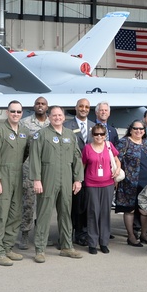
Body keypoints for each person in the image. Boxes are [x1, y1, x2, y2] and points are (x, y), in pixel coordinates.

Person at [30, 105, 84, 262]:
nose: (57, 118)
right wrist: (37, 179)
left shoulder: (70, 135)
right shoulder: (41, 135)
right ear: (49, 117)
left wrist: (78, 179)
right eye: (54, 115)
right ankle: (40, 249)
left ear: (64, 117)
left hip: (66, 178)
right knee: (44, 213)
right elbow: (35, 157)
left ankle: (67, 246)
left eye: (60, 115)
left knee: (66, 213)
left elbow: (77, 158)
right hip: (47, 178)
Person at [0, 100, 31, 266]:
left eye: (19, 112)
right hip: (2, 175)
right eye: (13, 111)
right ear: (7, 112)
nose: (16, 114)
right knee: (0, 214)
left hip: (17, 175)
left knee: (15, 213)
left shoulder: (24, 131)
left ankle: (7, 247)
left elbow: (26, 152)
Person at [115, 119, 147, 248]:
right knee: (130, 209)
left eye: (141, 129)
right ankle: (131, 236)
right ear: (131, 130)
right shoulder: (124, 142)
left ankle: (144, 235)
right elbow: (116, 160)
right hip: (130, 183)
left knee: (145, 210)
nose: (139, 131)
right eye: (136, 129)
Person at [81, 123, 120, 254]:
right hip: (91, 184)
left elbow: (116, 160)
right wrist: (79, 181)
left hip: (107, 184)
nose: (99, 136)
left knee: (105, 213)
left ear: (105, 135)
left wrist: (118, 169)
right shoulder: (87, 148)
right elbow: (83, 165)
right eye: (96, 134)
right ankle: (92, 243)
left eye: (101, 134)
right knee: (93, 212)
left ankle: (104, 242)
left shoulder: (109, 146)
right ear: (92, 135)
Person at [18, 96, 50, 249]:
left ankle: (41, 234)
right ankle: (24, 234)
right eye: (37, 103)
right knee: (29, 202)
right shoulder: (25, 123)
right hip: (30, 167)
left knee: (45, 203)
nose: (40, 106)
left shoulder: (53, 122)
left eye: (43, 104)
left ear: (47, 107)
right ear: (33, 106)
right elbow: (21, 145)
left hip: (48, 168)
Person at [65, 98, 94, 246]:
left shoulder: (94, 127)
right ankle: (67, 233)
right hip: (71, 171)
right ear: (76, 108)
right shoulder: (66, 126)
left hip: (90, 173)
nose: (84, 109)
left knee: (85, 204)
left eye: (87, 107)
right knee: (72, 204)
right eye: (81, 106)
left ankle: (82, 233)